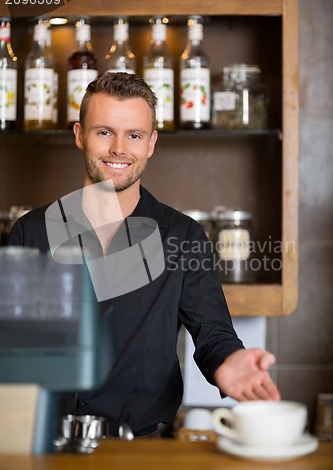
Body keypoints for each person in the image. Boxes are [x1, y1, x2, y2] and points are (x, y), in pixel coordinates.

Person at [8, 72, 280, 438]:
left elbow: (213, 333)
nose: (119, 147)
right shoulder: (32, 230)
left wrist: (228, 364)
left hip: (139, 449)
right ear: (79, 135)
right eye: (104, 132)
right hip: (43, 442)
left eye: (133, 135)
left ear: (151, 143)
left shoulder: (184, 237)